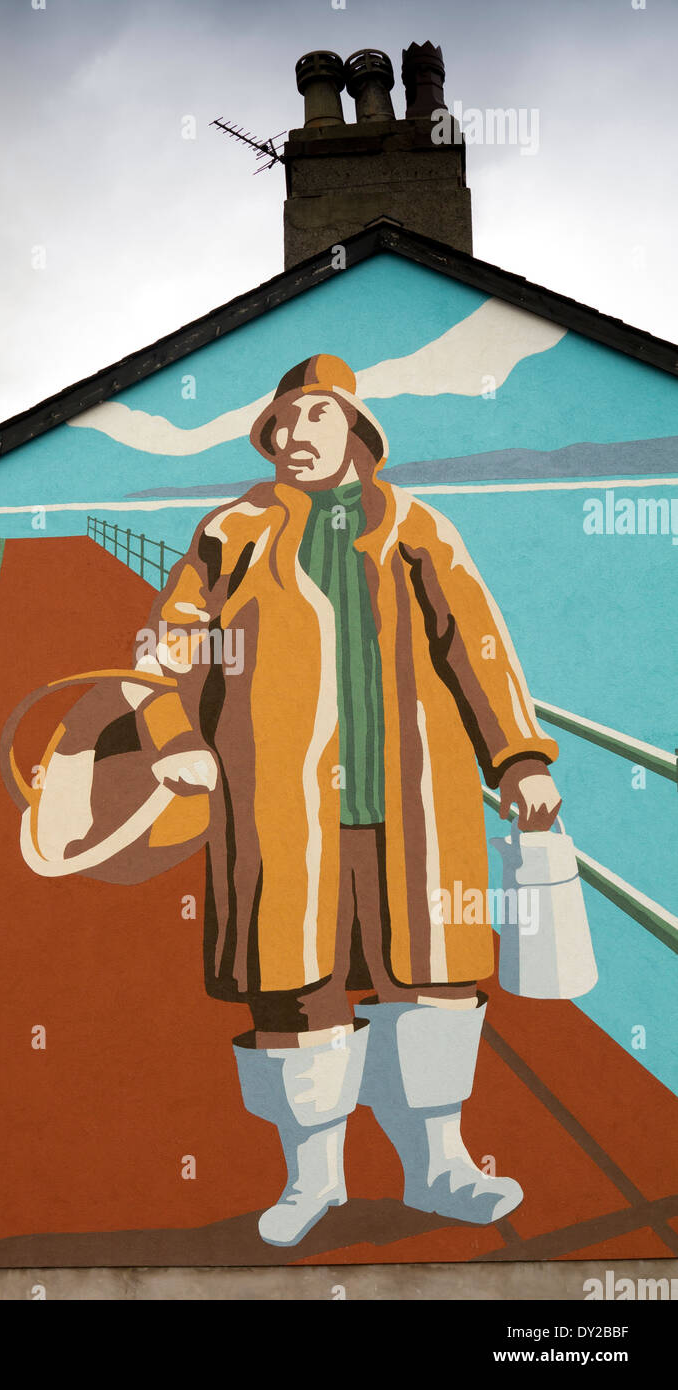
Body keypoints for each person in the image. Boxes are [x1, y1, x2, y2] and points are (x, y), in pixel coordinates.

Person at [122, 354, 562, 1246]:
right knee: (294, 989)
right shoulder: (232, 531)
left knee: (431, 982)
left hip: (415, 804)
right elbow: (164, 646)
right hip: (277, 809)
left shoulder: (417, 526)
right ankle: (311, 1179)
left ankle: (440, 1168)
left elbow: (474, 644)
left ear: (355, 429)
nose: (292, 438)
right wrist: (174, 740)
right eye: (280, 424)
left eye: (312, 418)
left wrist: (518, 760)